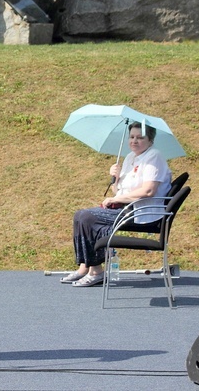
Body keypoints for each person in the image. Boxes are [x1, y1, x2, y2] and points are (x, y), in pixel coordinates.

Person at [61, 121, 172, 287]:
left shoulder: (153, 156)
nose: (134, 141)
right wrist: (115, 177)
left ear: (150, 140)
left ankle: (96, 271)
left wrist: (116, 200)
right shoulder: (130, 157)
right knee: (80, 216)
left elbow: (148, 191)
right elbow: (118, 191)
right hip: (126, 208)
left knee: (87, 217)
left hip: (141, 212)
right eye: (132, 137)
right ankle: (85, 266)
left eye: (140, 137)